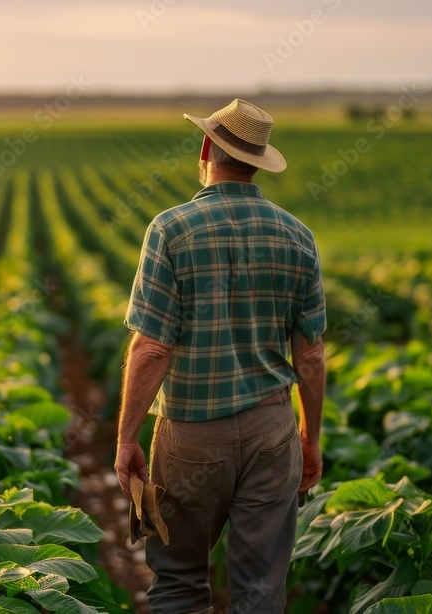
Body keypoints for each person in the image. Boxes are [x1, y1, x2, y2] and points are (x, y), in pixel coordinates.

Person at [114, 98, 327, 614]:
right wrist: (310, 439)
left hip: (190, 432)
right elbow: (312, 355)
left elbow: (151, 347)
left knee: (181, 581)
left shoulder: (170, 229)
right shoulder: (298, 235)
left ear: (207, 147)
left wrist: (126, 439)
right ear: (257, 162)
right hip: (272, 433)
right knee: (259, 589)